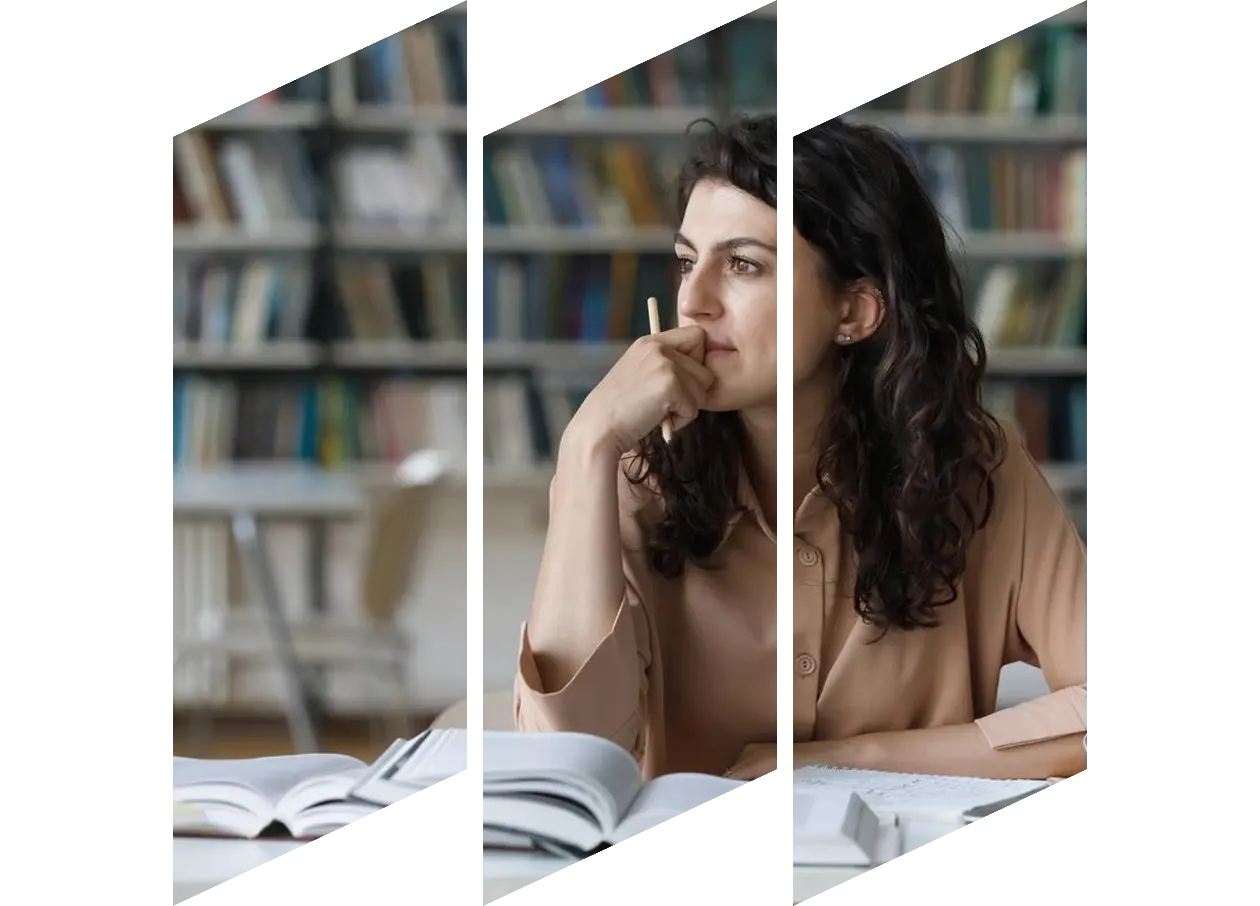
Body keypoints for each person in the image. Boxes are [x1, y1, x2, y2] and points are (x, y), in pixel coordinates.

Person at [514, 113, 1088, 782]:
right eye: (686, 262)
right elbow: (565, 763)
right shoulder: (634, 472)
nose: (694, 302)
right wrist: (587, 447)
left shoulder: (975, 471)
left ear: (854, 311)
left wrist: (846, 759)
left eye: (743, 265)